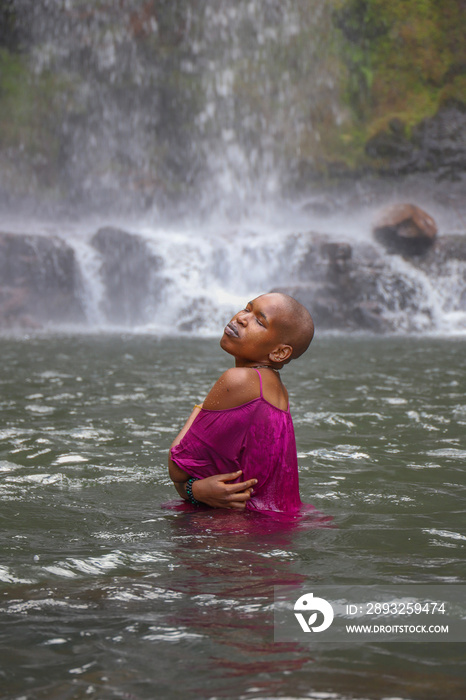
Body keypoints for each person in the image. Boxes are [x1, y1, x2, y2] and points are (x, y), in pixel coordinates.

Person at [168, 292, 314, 515]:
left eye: (259, 321)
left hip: (229, 533)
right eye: (247, 308)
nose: (241, 318)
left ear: (279, 352)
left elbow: (177, 467)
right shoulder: (277, 389)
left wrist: (190, 490)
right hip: (272, 527)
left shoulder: (240, 380)